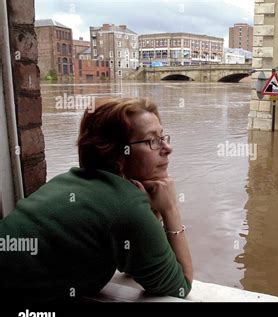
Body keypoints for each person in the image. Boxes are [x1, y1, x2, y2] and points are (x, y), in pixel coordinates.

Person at [0, 98, 193, 303]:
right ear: (117, 154)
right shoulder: (126, 207)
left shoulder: (67, 181)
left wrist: (149, 208)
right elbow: (180, 286)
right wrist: (170, 208)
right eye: (152, 141)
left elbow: (139, 263)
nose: (167, 147)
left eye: (163, 136)